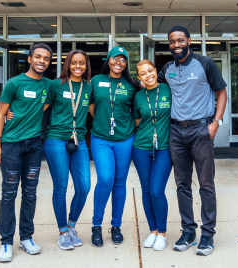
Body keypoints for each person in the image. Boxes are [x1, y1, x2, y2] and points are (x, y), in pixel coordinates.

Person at [157, 25, 228, 256]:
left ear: (188, 40)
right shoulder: (167, 68)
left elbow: (222, 92)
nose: (176, 45)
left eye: (180, 40)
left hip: (201, 130)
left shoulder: (205, 63)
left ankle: (207, 234)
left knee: (206, 184)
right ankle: (188, 231)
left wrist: (216, 123)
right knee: (182, 185)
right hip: (176, 133)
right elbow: (149, 85)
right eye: (172, 42)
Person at [0, 43, 52, 262]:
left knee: (30, 192)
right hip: (11, 145)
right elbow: (0, 114)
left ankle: (26, 237)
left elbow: (44, 105)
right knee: (9, 193)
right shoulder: (14, 83)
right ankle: (6, 242)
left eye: (46, 58)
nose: (41, 61)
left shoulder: (48, 85)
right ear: (29, 59)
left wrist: (28, 113)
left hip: (34, 146)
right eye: (37, 57)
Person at [89, 47, 140, 247]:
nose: (118, 62)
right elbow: (90, 104)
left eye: (123, 60)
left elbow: (138, 109)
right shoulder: (96, 81)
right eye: (115, 58)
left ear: (126, 64)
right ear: (108, 60)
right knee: (105, 179)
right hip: (101, 138)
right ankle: (96, 226)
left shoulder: (132, 85)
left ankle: (116, 226)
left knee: (119, 182)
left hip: (125, 139)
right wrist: (102, 120)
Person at [43, 50, 92, 250]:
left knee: (84, 186)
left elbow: (101, 106)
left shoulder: (89, 86)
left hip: (78, 140)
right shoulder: (56, 85)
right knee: (61, 187)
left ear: (86, 65)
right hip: (56, 139)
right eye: (74, 63)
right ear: (67, 65)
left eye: (82, 63)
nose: (78, 66)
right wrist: (12, 113)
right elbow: (39, 108)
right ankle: (63, 231)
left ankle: (72, 225)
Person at [132, 60, 172, 251]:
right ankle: (153, 230)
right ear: (139, 77)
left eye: (150, 71)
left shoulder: (168, 89)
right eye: (143, 73)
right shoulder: (139, 96)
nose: (148, 75)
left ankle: (162, 233)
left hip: (164, 147)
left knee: (157, 190)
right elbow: (138, 120)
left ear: (156, 71)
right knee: (146, 190)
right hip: (141, 147)